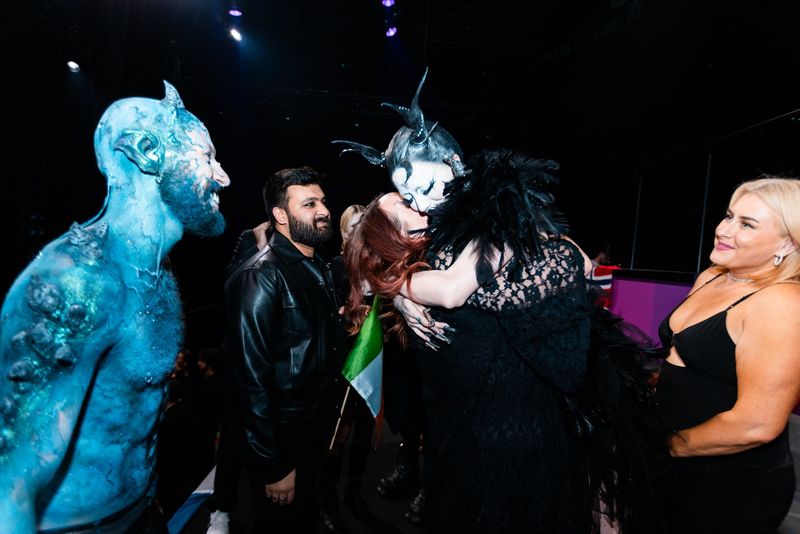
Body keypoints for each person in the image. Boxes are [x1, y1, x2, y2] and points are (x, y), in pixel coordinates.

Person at [337, 70, 668, 533]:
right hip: (495, 449)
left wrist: (399, 286)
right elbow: (546, 275)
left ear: (454, 162)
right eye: (407, 199)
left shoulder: (453, 247)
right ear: (393, 241)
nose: (421, 204)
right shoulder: (436, 263)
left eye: (417, 193)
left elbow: (567, 264)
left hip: (493, 446)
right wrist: (402, 287)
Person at [0, 82, 230, 533]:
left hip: (140, 510)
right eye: (207, 157)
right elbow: (10, 486)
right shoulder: (76, 281)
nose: (222, 177)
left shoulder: (156, 270)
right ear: (147, 152)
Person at [656, 176, 800, 533]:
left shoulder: (781, 304)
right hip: (675, 463)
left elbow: (757, 425)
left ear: (787, 243)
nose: (724, 230)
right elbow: (687, 360)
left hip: (729, 483)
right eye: (729, 216)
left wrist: (661, 446)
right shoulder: (712, 276)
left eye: (747, 224)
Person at [224, 166, 345, 533]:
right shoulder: (261, 274)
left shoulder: (316, 267)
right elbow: (249, 380)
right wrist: (273, 465)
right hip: (283, 438)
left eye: (322, 201)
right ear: (280, 215)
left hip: (313, 432)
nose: (323, 211)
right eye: (309, 204)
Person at [205, 221, 273, 534]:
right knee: (233, 439)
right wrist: (260, 248)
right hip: (241, 359)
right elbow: (232, 282)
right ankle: (220, 508)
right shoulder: (252, 237)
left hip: (278, 362)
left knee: (270, 442)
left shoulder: (302, 238)